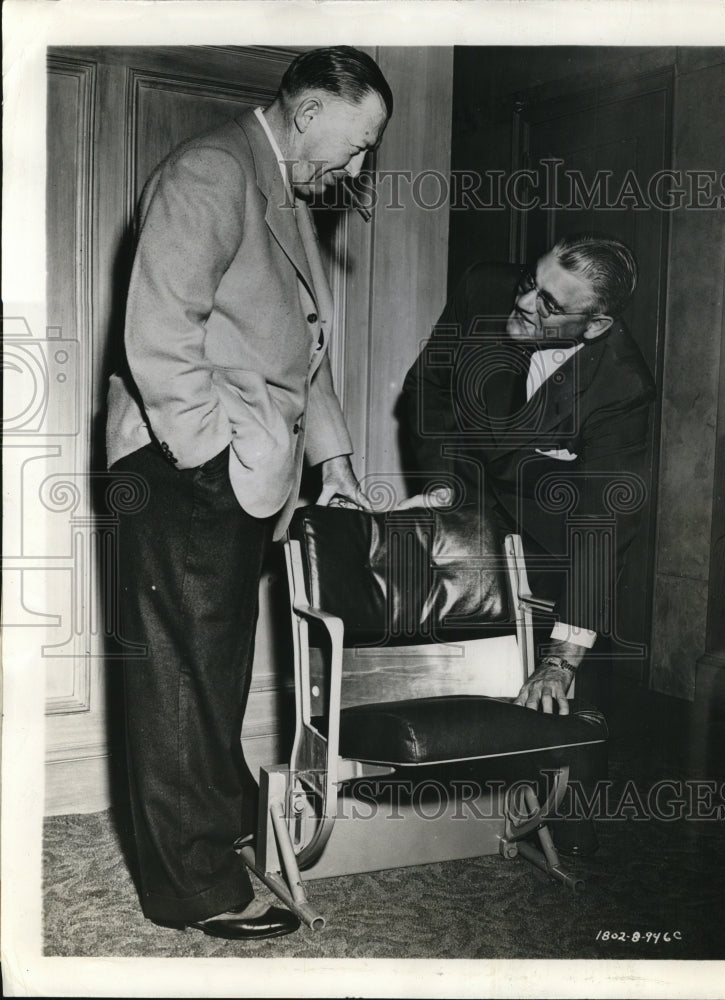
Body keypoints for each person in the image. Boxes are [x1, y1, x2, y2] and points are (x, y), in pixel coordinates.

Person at [106, 47, 392, 939]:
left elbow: (299, 347)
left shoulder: (274, 180)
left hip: (233, 471)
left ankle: (212, 839)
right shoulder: (213, 168)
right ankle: (194, 891)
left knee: (211, 669)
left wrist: (336, 462)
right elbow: (158, 332)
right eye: (351, 147)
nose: (352, 170)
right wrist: (210, 457)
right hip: (180, 472)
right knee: (178, 679)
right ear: (306, 112)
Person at [400, 233, 655, 716]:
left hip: (552, 562)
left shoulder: (623, 387)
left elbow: (602, 525)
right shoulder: (482, 288)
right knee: (449, 703)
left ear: (595, 325)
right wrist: (441, 486)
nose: (520, 302)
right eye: (529, 282)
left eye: (549, 304)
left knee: (555, 725)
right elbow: (427, 385)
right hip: (467, 513)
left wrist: (561, 660)